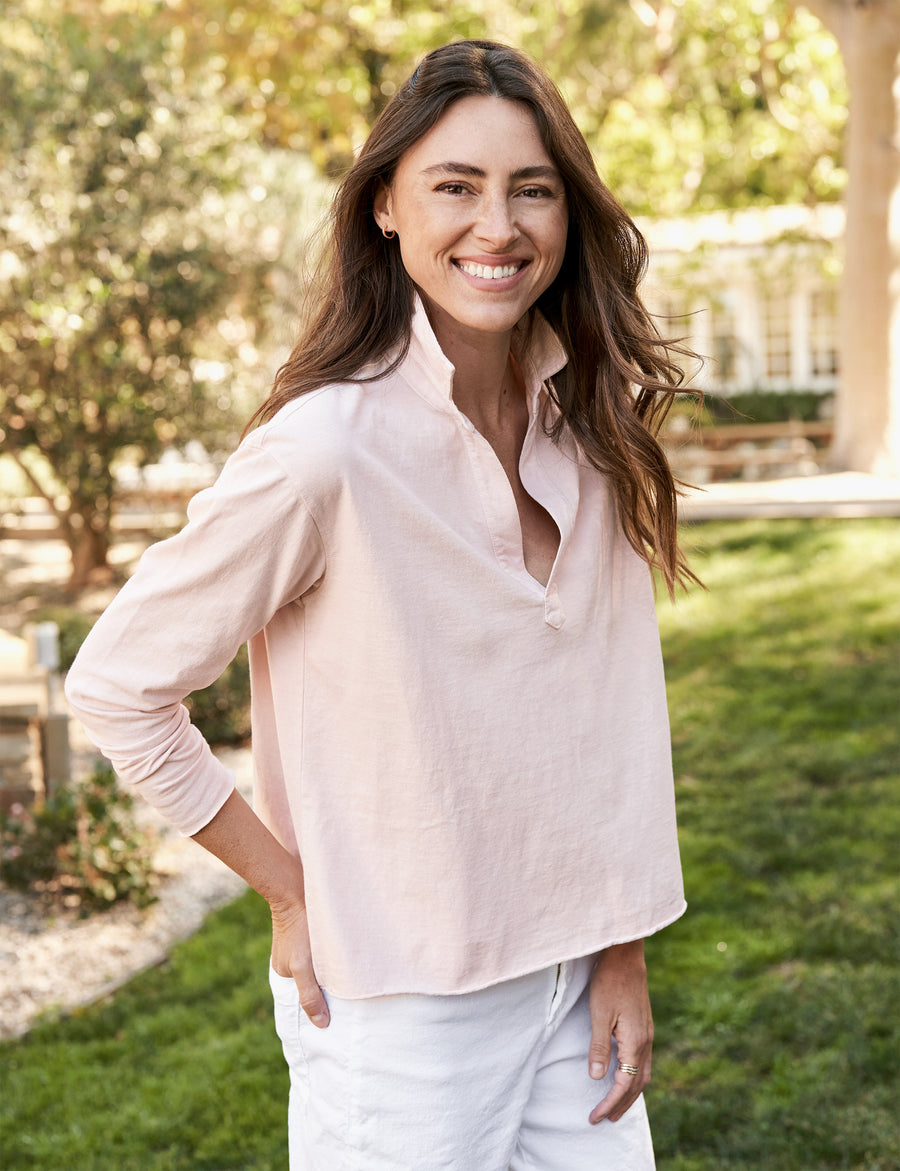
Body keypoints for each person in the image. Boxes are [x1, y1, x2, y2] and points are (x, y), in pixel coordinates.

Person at [66, 38, 696, 1170]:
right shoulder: (325, 452)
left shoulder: (590, 425)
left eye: (532, 189)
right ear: (387, 208)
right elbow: (119, 687)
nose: (497, 226)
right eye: (456, 186)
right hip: (401, 1012)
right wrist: (289, 892)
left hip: (572, 990)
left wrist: (620, 946)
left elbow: (605, 722)